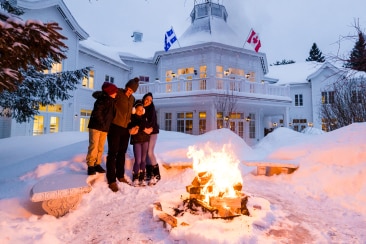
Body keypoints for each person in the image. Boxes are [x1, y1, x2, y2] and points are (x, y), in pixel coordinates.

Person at [106, 77, 140, 192]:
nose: (130, 91)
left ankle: (120, 175)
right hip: (114, 127)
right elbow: (108, 99)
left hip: (125, 129)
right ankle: (111, 180)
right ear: (126, 86)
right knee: (112, 153)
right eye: (129, 89)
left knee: (122, 153)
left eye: (132, 91)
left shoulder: (133, 99)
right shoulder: (118, 93)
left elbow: (131, 114)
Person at [86, 82, 117, 175]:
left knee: (100, 147)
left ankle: (97, 164)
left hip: (104, 128)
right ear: (110, 92)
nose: (116, 93)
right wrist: (103, 123)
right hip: (96, 126)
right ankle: (91, 165)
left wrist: (107, 125)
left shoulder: (112, 101)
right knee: (94, 146)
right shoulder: (102, 99)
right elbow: (97, 112)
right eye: (114, 91)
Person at [128, 100, 152, 186]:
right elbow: (131, 131)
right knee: (138, 160)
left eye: (142, 110)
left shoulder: (144, 118)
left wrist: (146, 128)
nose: (140, 111)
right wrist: (136, 127)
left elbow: (150, 129)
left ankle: (142, 177)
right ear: (134, 110)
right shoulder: (132, 119)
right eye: (138, 110)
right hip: (137, 141)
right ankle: (135, 177)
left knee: (143, 160)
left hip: (145, 141)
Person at [142, 92, 161, 185]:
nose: (148, 101)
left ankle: (157, 174)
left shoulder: (151, 109)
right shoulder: (140, 108)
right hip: (145, 132)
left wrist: (145, 127)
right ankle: (149, 173)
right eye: (147, 99)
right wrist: (144, 128)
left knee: (150, 152)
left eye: (150, 100)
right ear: (144, 98)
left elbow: (151, 123)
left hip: (152, 132)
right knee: (145, 153)